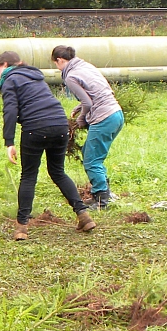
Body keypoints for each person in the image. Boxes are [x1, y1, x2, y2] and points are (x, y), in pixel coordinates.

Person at [0, 51, 97, 241]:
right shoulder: (35, 76)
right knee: (58, 172)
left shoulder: (10, 79)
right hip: (60, 125)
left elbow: (10, 110)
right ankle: (84, 216)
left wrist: (9, 142)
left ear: (6, 65)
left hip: (35, 128)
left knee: (28, 176)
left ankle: (21, 227)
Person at [52, 45, 123, 209]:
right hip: (116, 113)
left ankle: (101, 200)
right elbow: (98, 92)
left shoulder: (71, 76)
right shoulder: (86, 66)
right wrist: (79, 107)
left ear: (60, 60)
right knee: (92, 155)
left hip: (103, 118)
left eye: (55, 63)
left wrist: (81, 118)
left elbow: (88, 103)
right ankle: (104, 191)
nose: (56, 67)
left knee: (91, 160)